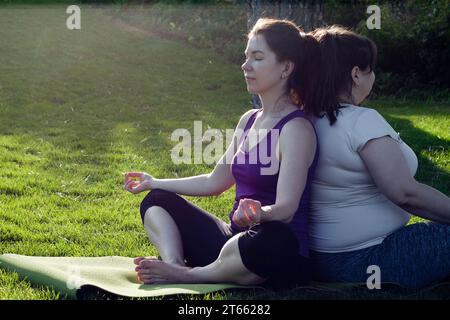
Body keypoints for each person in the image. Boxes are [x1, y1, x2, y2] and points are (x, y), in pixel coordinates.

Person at [122, 18, 323, 289]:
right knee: (157, 200)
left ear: (285, 67)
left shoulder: (296, 129)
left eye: (257, 57)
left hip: (271, 253)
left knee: (276, 239)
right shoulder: (249, 120)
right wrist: (154, 182)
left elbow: (286, 209)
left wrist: (258, 214)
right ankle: (173, 264)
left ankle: (189, 276)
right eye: (246, 56)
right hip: (232, 243)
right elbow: (214, 182)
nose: (245, 65)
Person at [308, 25, 450, 289]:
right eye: (370, 69)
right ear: (356, 74)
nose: (373, 76)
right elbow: (405, 193)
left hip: (323, 259)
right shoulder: (361, 121)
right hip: (371, 258)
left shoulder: (305, 120)